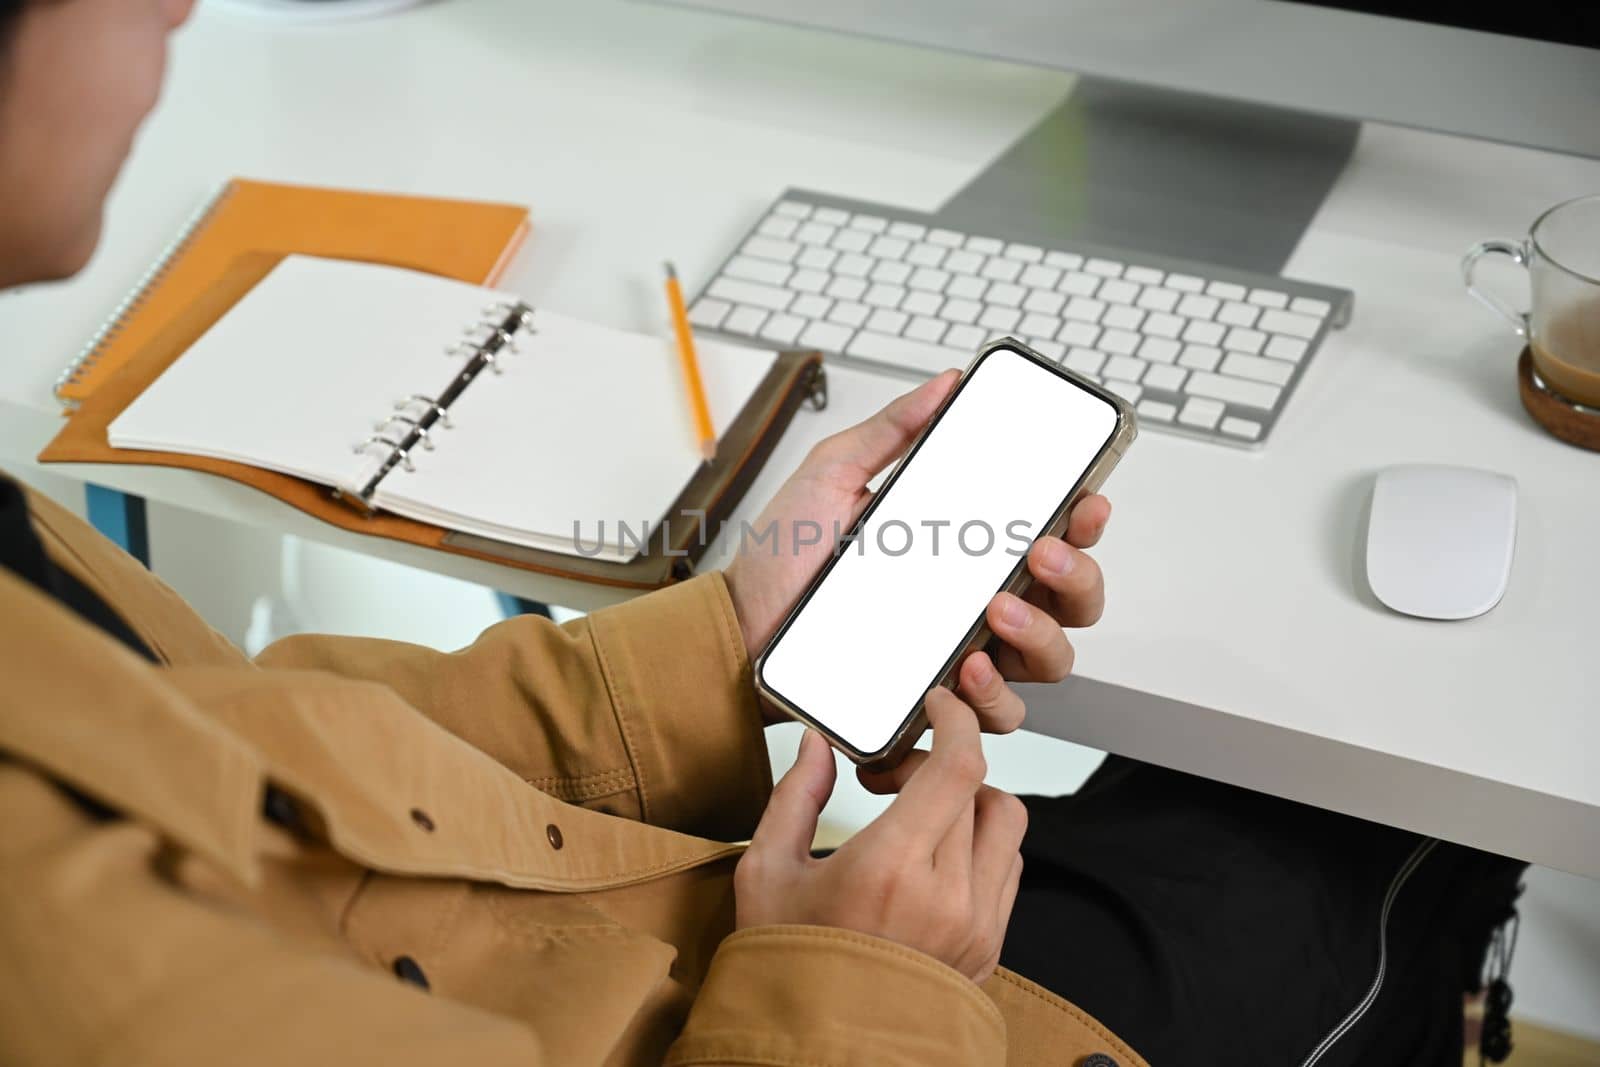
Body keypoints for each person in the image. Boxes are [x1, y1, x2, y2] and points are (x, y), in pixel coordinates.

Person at [0, 2, 1523, 1065]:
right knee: (1381, 810)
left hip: (649, 925)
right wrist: (853, 981)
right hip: (818, 1013)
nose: (185, 10)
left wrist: (735, 643)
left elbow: (263, 753)